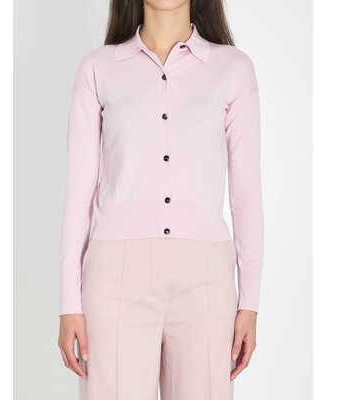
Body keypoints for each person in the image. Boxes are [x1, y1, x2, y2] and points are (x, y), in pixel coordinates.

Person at [58, 1, 263, 399]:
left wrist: (250, 303)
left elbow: (247, 194)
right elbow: (78, 193)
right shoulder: (98, 69)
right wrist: (70, 303)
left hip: (205, 279)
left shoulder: (233, 69)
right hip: (114, 278)